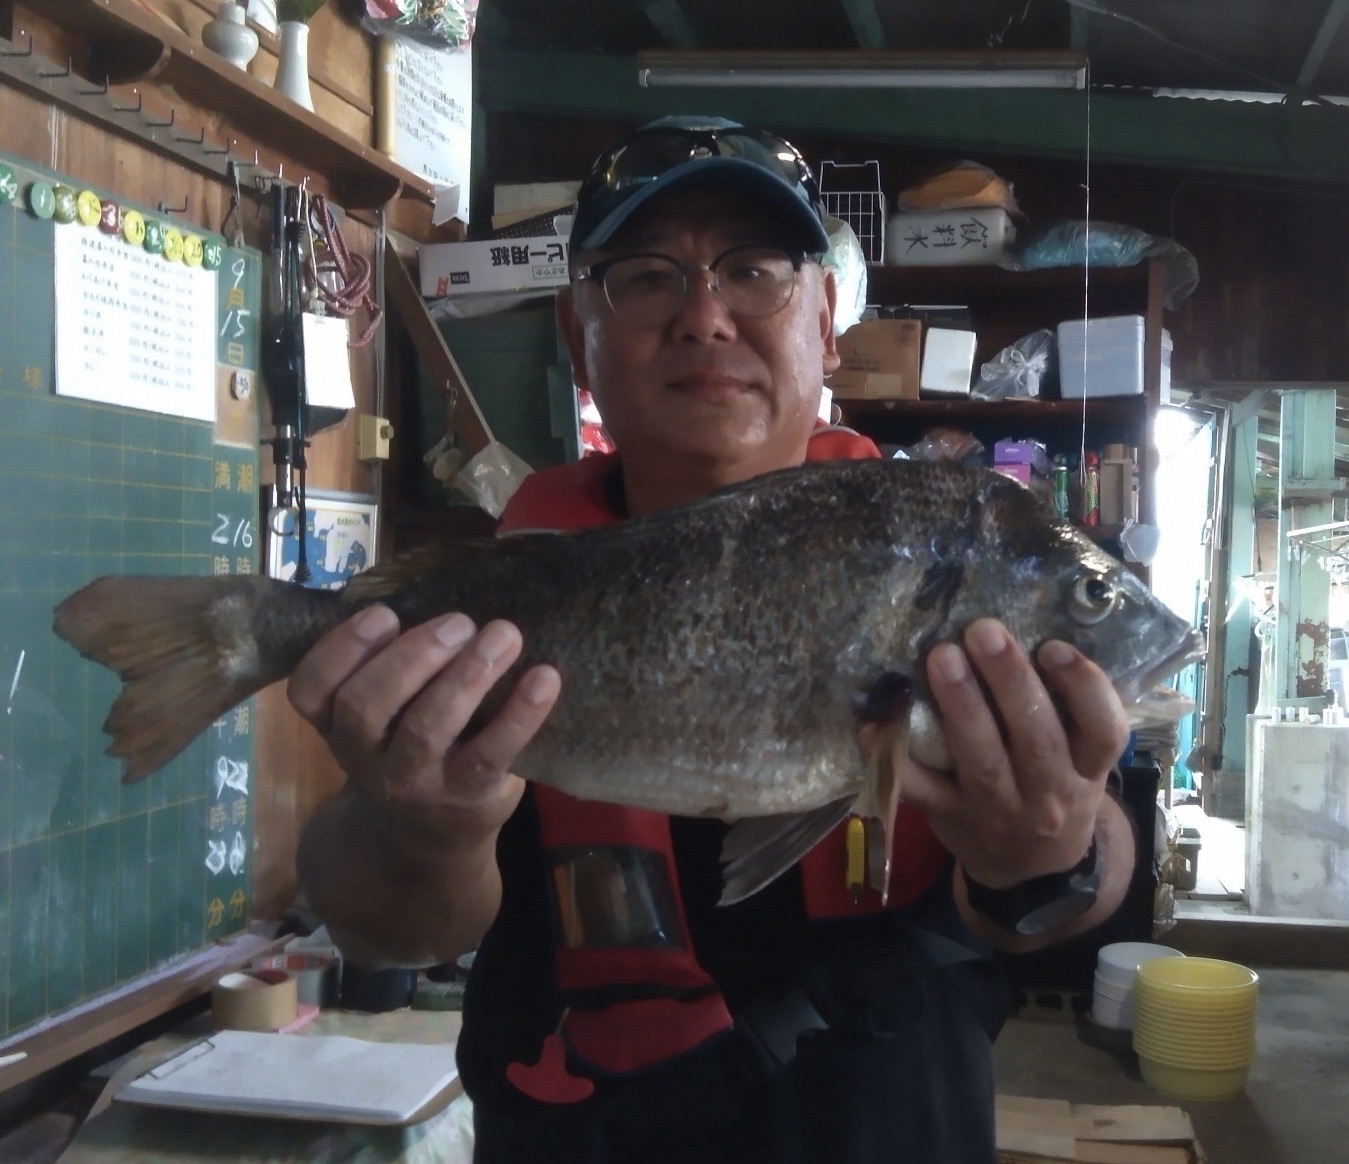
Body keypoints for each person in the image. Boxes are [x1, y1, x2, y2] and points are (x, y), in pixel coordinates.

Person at [291, 117, 1135, 1163]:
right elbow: (388, 933)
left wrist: (1050, 851)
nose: (703, 315)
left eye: (754, 270)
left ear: (824, 320)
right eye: (645, 277)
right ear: (574, 333)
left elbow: (1097, 862)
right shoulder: (496, 603)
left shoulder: (947, 559)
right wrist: (419, 823)